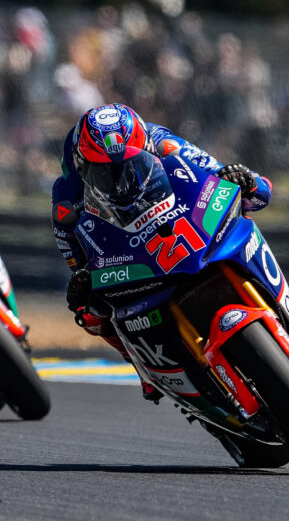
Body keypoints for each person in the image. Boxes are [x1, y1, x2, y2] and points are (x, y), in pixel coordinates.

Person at [52, 103, 272, 402]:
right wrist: (81, 277)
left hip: (173, 222)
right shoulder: (67, 196)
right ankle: (143, 368)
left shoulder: (164, 143)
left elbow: (230, 180)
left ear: (145, 146)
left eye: (131, 162)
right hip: (121, 246)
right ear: (83, 165)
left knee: (241, 216)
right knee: (90, 313)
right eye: (105, 171)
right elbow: (73, 253)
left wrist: (245, 181)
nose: (119, 177)